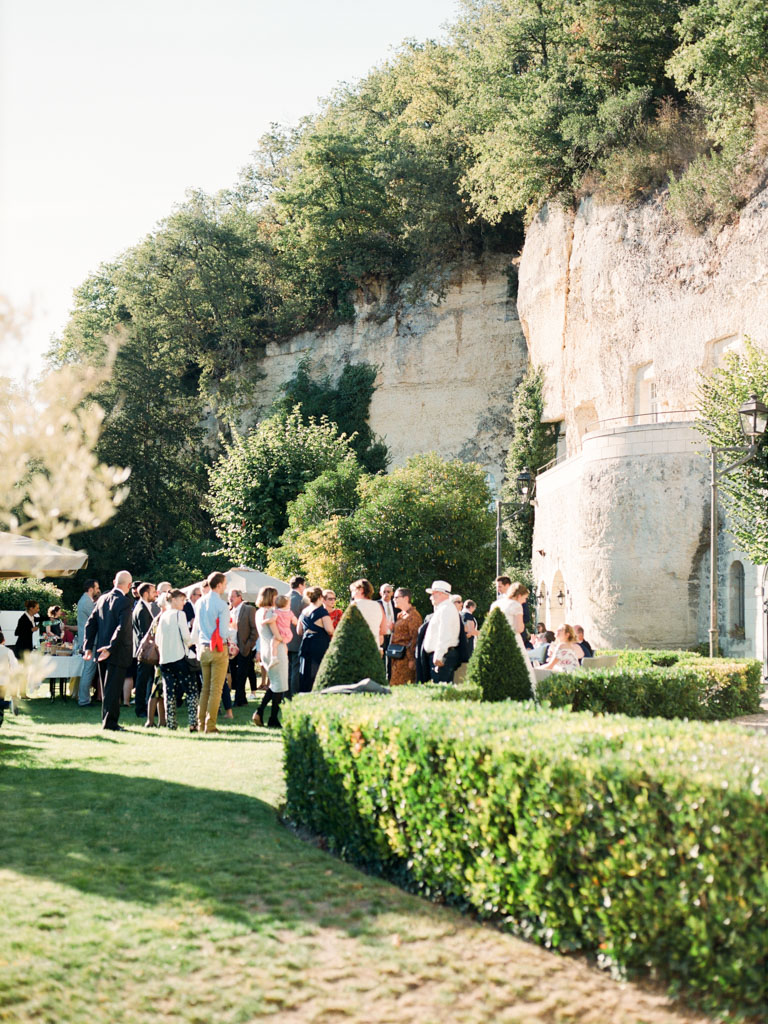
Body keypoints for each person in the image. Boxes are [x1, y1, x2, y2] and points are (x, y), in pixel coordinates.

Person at [83, 570, 134, 731]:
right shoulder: (125, 602)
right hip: (116, 651)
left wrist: (88, 647)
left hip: (101, 651)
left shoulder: (102, 599)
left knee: (107, 690)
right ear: (129, 585)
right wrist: (111, 648)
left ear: (114, 582)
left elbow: (90, 623)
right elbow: (122, 628)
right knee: (113, 688)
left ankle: (107, 720)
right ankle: (110, 723)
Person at [195, 571, 236, 734]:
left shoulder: (199, 603)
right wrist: (233, 631)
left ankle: (200, 724)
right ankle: (210, 725)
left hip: (203, 647)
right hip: (218, 648)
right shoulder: (221, 605)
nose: (226, 587)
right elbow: (223, 632)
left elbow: (196, 628)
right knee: (216, 689)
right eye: (225, 584)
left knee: (205, 688)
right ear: (218, 585)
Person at [156, 589, 198, 731]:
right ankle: (193, 723)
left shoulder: (162, 616)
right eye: (182, 600)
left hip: (165, 659)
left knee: (169, 692)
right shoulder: (180, 614)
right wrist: (196, 637)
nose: (184, 603)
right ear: (173, 599)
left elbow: (157, 639)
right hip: (180, 657)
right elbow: (187, 638)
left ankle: (171, 723)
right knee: (191, 690)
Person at [252, 587, 289, 727]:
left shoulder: (258, 612)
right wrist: (285, 640)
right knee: (279, 685)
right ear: (270, 597)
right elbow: (276, 634)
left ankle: (260, 711)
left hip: (266, 649)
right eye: (275, 596)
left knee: (274, 684)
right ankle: (273, 718)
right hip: (276, 650)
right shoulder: (270, 613)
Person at [490, 580, 537, 688]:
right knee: (521, 667)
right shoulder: (516, 605)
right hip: (512, 639)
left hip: (497, 640)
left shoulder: (496, 604)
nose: (524, 601)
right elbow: (519, 628)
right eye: (524, 598)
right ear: (519, 595)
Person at [421, 580, 461, 683]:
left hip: (442, 657)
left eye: (433, 594)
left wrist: (438, 656)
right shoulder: (443, 608)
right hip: (442, 655)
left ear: (441, 594)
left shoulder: (446, 609)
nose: (431, 597)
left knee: (441, 687)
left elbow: (445, 634)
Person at [296, 586, 334, 693]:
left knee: (305, 671)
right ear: (321, 597)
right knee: (318, 671)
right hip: (319, 644)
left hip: (306, 643)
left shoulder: (304, 611)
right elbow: (330, 630)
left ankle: (304, 694)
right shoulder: (322, 612)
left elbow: (299, 631)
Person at [228, 588, 258, 707]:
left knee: (242, 674)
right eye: (229, 597)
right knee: (234, 674)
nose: (230, 599)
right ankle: (242, 698)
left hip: (244, 647)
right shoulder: (229, 611)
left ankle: (239, 700)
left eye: (232, 597)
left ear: (240, 597)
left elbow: (255, 630)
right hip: (232, 648)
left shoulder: (249, 609)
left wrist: (248, 645)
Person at [132, 582, 157, 720]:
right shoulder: (142, 609)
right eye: (153, 591)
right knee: (143, 681)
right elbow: (145, 633)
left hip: (144, 651)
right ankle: (141, 709)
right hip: (145, 652)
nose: (155, 594)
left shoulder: (143, 607)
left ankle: (148, 706)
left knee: (148, 680)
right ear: (146, 593)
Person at [389, 588, 423, 686]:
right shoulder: (401, 615)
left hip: (406, 659)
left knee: (403, 685)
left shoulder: (414, 616)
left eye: (396, 597)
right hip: (396, 656)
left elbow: (415, 638)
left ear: (406, 598)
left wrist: (412, 659)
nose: (393, 599)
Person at [75, 579, 100, 706]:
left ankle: (84, 698)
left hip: (88, 640)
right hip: (90, 642)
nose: (98, 590)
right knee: (88, 670)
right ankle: (84, 700)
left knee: (88, 670)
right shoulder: (86, 602)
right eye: (97, 588)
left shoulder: (85, 600)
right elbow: (97, 619)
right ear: (91, 589)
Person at [349, 579, 387, 646]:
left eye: (353, 591)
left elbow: (348, 627)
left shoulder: (354, 605)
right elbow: (384, 629)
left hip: (358, 647)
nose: (352, 595)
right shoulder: (378, 606)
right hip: (374, 648)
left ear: (361, 590)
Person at [286, 576, 306, 697]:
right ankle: (293, 696)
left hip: (283, 640)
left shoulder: (282, 598)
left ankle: (285, 696)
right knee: (295, 670)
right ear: (300, 585)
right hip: (297, 639)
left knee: (286, 671)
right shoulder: (302, 600)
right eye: (304, 585)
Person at [0, 630, 19, 726]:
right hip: (4, 681)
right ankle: (1, 718)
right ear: (4, 640)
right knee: (1, 699)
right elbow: (14, 666)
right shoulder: (8, 651)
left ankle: (9, 704)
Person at [378, 583, 398, 661]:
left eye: (388, 592)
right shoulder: (376, 605)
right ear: (380, 593)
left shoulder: (396, 605)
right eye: (384, 592)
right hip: (381, 637)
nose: (386, 594)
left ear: (392, 593)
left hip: (394, 637)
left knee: (392, 661)